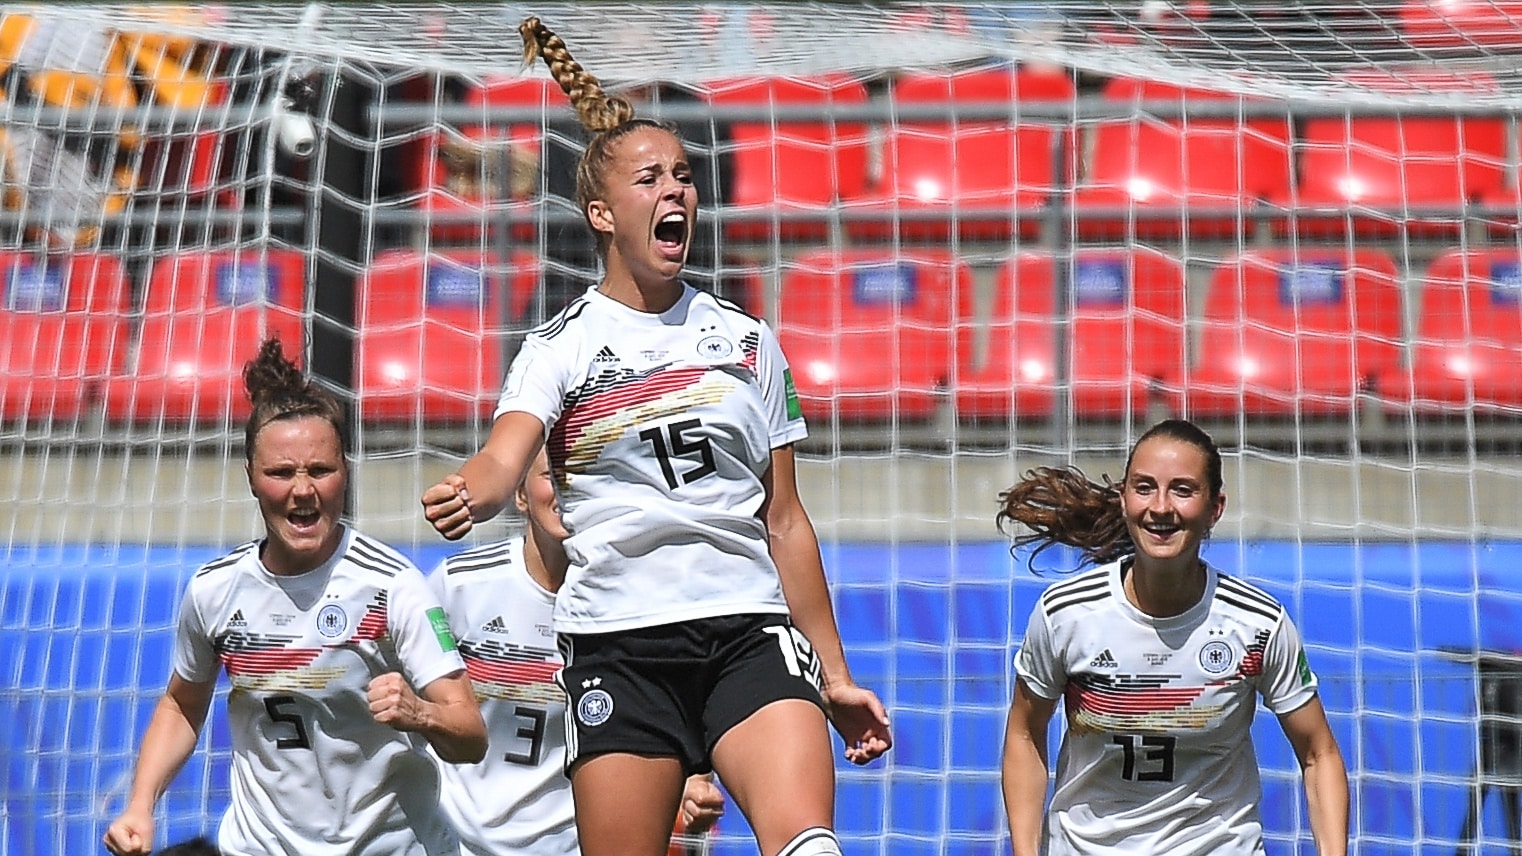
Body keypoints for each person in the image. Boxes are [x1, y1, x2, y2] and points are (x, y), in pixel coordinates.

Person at [420, 17, 891, 856]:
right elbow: (503, 458)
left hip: (747, 631)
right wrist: (474, 491)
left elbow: (784, 521)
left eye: (683, 176)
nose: (675, 192)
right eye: (650, 179)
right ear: (602, 213)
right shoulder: (557, 346)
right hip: (619, 648)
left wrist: (838, 675)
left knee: (810, 844)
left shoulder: (749, 340)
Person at [104, 338, 487, 856]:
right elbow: (182, 702)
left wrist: (419, 713)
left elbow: (470, 730)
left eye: (320, 470)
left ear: (344, 473)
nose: (302, 490)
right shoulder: (215, 590)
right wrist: (140, 804)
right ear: (252, 480)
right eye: (281, 472)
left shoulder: (393, 585)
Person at [997, 418, 1348, 856]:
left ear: (1215, 507)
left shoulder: (1258, 623)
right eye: (1145, 487)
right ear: (1125, 498)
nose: (1161, 507)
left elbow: (1319, 755)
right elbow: (1025, 734)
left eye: (1183, 490)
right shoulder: (1065, 614)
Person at [428, 448, 725, 855]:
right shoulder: (459, 586)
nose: (570, 491)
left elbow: (675, 734)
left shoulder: (644, 606)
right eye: (553, 476)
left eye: (587, 476)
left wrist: (692, 786)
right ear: (519, 494)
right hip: (455, 843)